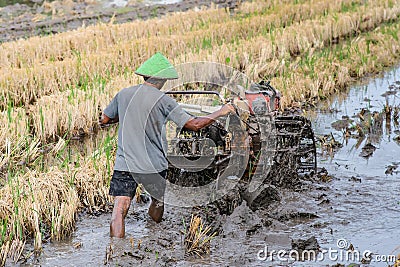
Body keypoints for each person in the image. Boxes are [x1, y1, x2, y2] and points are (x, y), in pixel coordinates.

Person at [100, 52, 235, 238]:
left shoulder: (123, 94)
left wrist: (125, 115)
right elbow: (194, 125)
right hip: (153, 164)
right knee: (157, 202)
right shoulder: (163, 100)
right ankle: (154, 235)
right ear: (163, 79)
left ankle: (116, 252)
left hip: (126, 164)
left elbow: (105, 119)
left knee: (119, 210)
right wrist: (221, 111)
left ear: (144, 76)